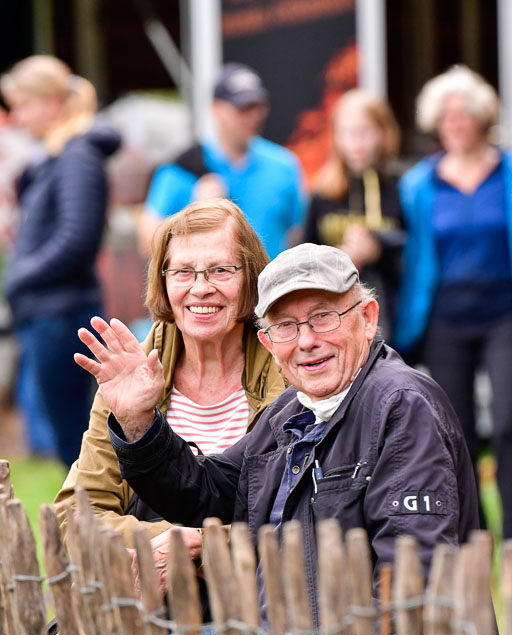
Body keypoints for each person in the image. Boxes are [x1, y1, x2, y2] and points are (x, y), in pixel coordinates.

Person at [76, 242, 479, 635]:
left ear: (367, 318)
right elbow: (209, 493)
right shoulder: (293, 410)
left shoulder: (401, 405)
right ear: (267, 340)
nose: (306, 341)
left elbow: (416, 573)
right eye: (286, 326)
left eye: (323, 317)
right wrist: (138, 421)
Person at [54, 197, 285, 635]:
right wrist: (157, 543)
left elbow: (292, 512)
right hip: (140, 600)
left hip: (242, 614)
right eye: (182, 271)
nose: (200, 288)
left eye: (220, 269)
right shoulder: (135, 369)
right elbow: (75, 513)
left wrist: (204, 544)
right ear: (162, 280)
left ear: (250, 278)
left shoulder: (284, 368)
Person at [393, 65, 512, 536]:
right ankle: (472, 539)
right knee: (455, 431)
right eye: (447, 116)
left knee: (507, 421)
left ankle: (511, 539)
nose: (456, 123)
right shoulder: (418, 184)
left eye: (463, 114)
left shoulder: (506, 171)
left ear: (481, 118)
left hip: (504, 313)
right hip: (444, 317)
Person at [0, 55, 121, 466]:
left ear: (53, 102)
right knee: (67, 437)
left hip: (64, 314)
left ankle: (94, 507)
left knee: (77, 440)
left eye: (24, 105)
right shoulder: (54, 157)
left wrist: (19, 278)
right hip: (48, 311)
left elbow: (77, 239)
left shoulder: (78, 156)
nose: (17, 116)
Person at [138, 62, 306, 260]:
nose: (252, 117)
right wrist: (192, 211)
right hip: (210, 279)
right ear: (216, 109)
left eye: (257, 107)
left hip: (271, 278)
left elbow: (299, 234)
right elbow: (147, 243)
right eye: (242, 108)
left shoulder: (284, 165)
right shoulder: (183, 167)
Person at [304, 88, 404, 341]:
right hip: (333, 313)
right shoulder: (323, 191)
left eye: (365, 132)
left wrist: (377, 245)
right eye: (348, 133)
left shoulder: (399, 185)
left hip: (390, 313)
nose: (356, 143)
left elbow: (415, 246)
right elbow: (306, 250)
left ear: (383, 133)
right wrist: (337, 256)